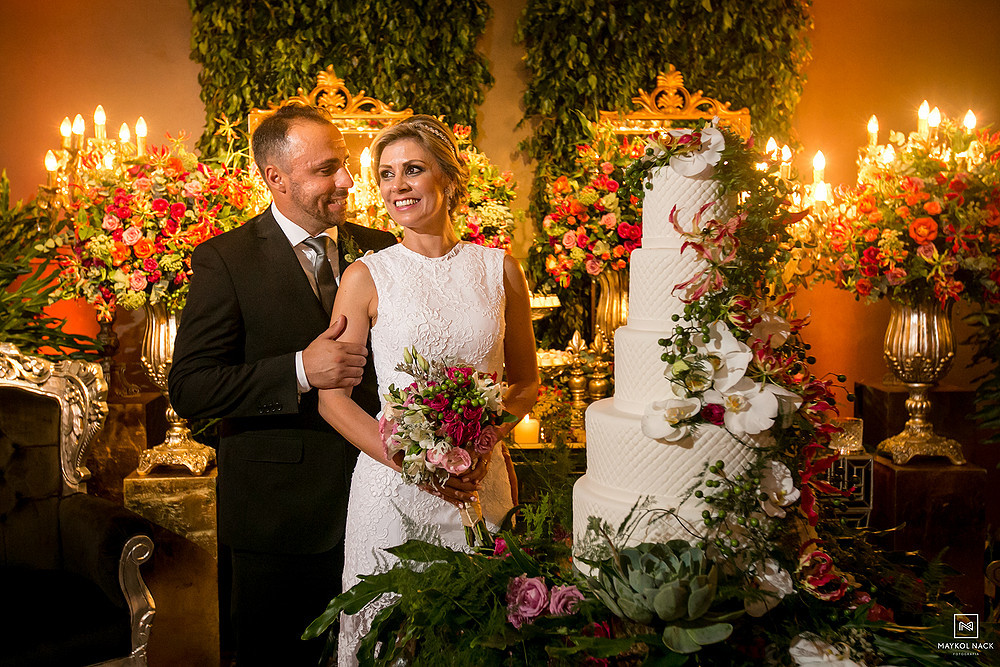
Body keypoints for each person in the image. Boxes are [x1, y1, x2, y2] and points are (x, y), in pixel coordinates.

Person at [168, 104, 397, 666]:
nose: (347, 181)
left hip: (384, 501)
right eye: (326, 170)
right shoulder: (225, 260)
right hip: (281, 523)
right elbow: (192, 388)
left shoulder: (385, 247)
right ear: (277, 178)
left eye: (344, 165)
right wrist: (299, 369)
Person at [317, 115, 539, 666]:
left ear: (448, 179)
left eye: (413, 170)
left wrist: (480, 447)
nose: (399, 186)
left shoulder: (500, 270)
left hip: (478, 484)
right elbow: (332, 399)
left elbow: (527, 382)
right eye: (387, 175)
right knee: (392, 644)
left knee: (477, 639)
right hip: (393, 489)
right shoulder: (367, 276)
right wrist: (416, 462)